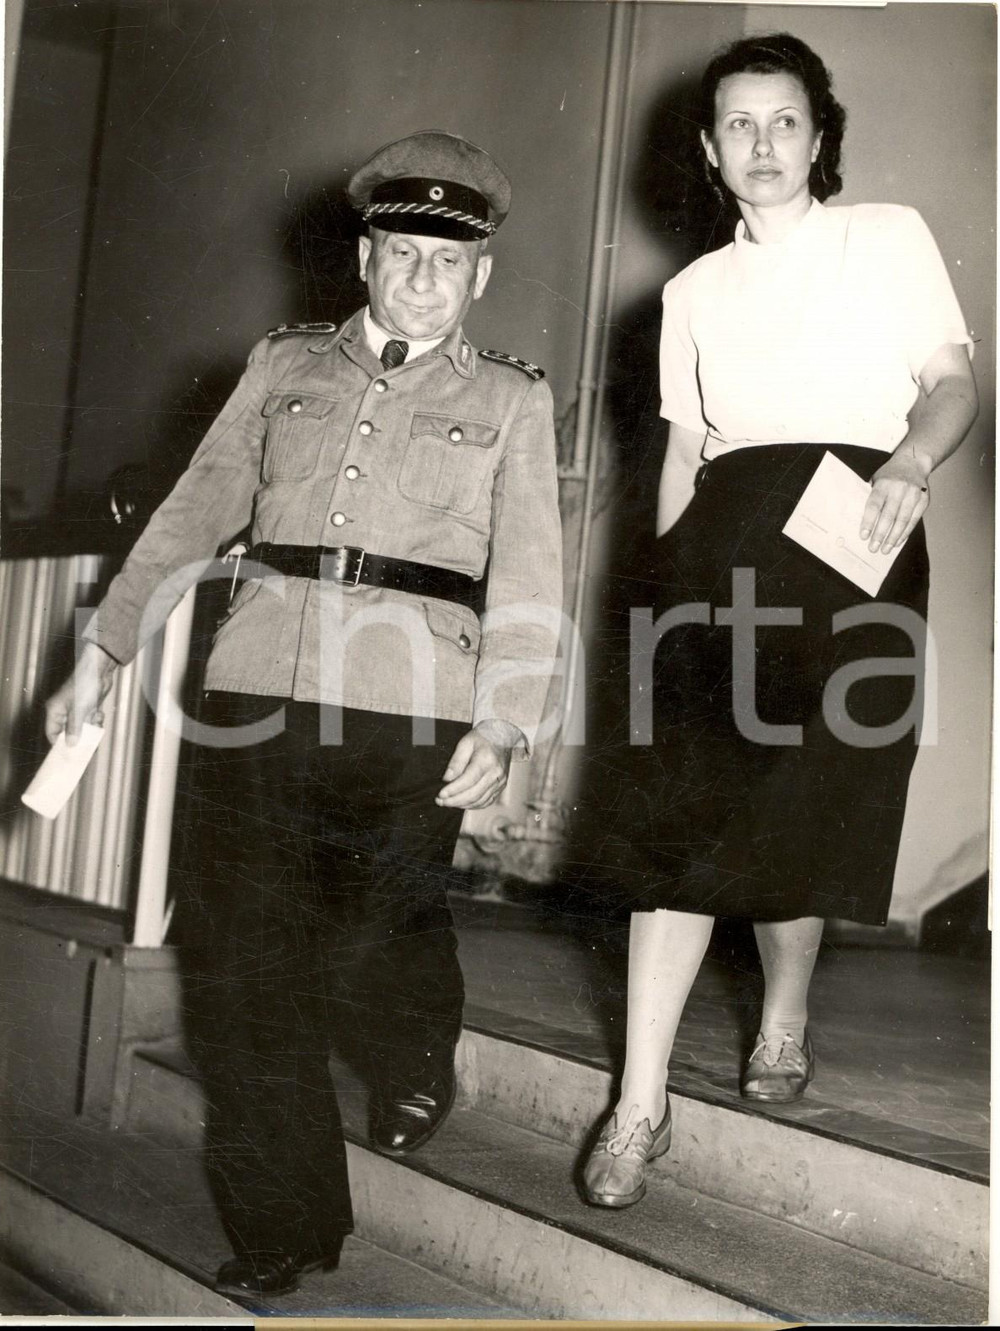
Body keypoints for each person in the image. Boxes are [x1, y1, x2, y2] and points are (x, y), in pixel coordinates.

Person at [45, 130, 563, 1294]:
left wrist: (507, 718)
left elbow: (531, 575)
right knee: (242, 967)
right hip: (257, 691)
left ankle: (410, 1043)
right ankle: (285, 1224)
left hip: (414, 699)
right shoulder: (284, 367)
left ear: (479, 276)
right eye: (400, 251)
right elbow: (188, 517)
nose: (421, 278)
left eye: (448, 259)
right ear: (364, 257)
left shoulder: (511, 401)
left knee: (379, 930)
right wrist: (105, 645)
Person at [581, 34, 977, 1209]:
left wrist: (908, 463)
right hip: (719, 540)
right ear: (707, 148)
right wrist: (653, 591)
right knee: (675, 819)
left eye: (784, 121)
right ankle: (637, 1105)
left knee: (803, 803)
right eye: (737, 125)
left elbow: (951, 379)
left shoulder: (887, 236)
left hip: (853, 532)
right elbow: (688, 456)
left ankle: (784, 1016)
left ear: (820, 134)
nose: (761, 144)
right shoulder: (690, 293)